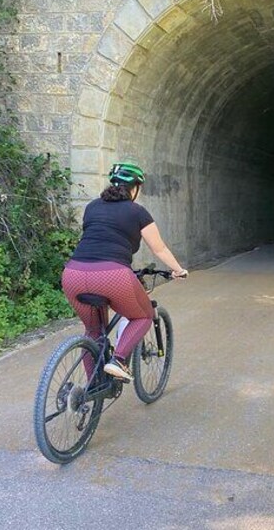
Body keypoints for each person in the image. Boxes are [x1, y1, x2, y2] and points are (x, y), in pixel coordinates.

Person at [61, 160, 188, 381]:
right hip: (113, 276)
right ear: (135, 188)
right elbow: (159, 248)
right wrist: (178, 270)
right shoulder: (137, 212)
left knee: (93, 332)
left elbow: (98, 238)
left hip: (73, 274)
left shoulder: (92, 207)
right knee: (143, 315)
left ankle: (92, 388)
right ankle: (119, 360)